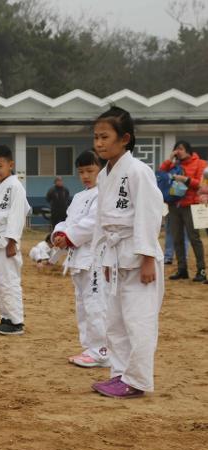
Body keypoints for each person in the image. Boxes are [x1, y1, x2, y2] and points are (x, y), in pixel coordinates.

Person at [90, 106, 164, 399]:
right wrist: (104, 258)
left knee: (139, 320)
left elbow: (149, 213)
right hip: (117, 255)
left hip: (138, 255)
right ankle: (119, 373)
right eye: (95, 137)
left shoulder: (138, 171)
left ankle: (137, 380)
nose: (98, 143)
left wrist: (147, 258)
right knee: (116, 320)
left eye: (105, 137)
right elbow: (101, 220)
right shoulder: (105, 174)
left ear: (125, 139)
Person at [52, 150, 109, 368]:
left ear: (101, 170)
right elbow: (68, 220)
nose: (85, 176)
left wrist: (69, 237)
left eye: (90, 171)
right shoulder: (78, 197)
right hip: (78, 257)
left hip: (95, 257)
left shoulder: (104, 194)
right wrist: (59, 234)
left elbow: (93, 223)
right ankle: (90, 347)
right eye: (81, 172)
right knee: (83, 304)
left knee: (96, 304)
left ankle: (102, 350)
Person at [0, 145, 30, 335]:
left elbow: (18, 214)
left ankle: (16, 322)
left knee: (9, 281)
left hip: (6, 240)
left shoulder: (15, 185)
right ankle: (6, 317)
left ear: (10, 165)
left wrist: (12, 241)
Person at [159, 141, 206, 282]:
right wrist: (170, 158)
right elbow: (161, 172)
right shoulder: (174, 165)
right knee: (177, 239)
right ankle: (182, 270)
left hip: (191, 205)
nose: (178, 152)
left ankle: (201, 270)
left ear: (188, 150)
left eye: (180, 149)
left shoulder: (200, 163)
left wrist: (185, 179)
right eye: (176, 149)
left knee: (194, 238)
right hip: (174, 205)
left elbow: (201, 184)